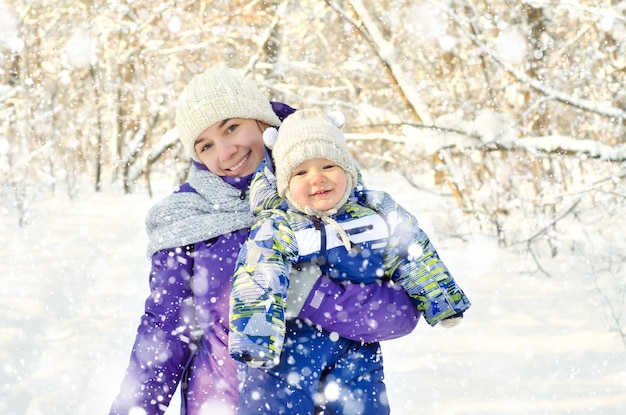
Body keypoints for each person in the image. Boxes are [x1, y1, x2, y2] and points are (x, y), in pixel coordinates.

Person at [109, 64, 420, 415]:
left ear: (263, 122)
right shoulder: (186, 222)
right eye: (206, 145)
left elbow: (401, 314)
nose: (225, 152)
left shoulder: (329, 197)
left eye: (232, 127)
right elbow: (165, 330)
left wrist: (310, 296)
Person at [229, 108, 471, 414]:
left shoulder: (375, 212)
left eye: (328, 165)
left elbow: (413, 251)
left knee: (363, 404)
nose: (316, 178)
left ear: (347, 169)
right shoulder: (280, 225)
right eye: (300, 172)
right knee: (275, 405)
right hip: (288, 350)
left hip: (356, 346)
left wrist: (442, 300)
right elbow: (257, 277)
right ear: (285, 185)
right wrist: (255, 340)